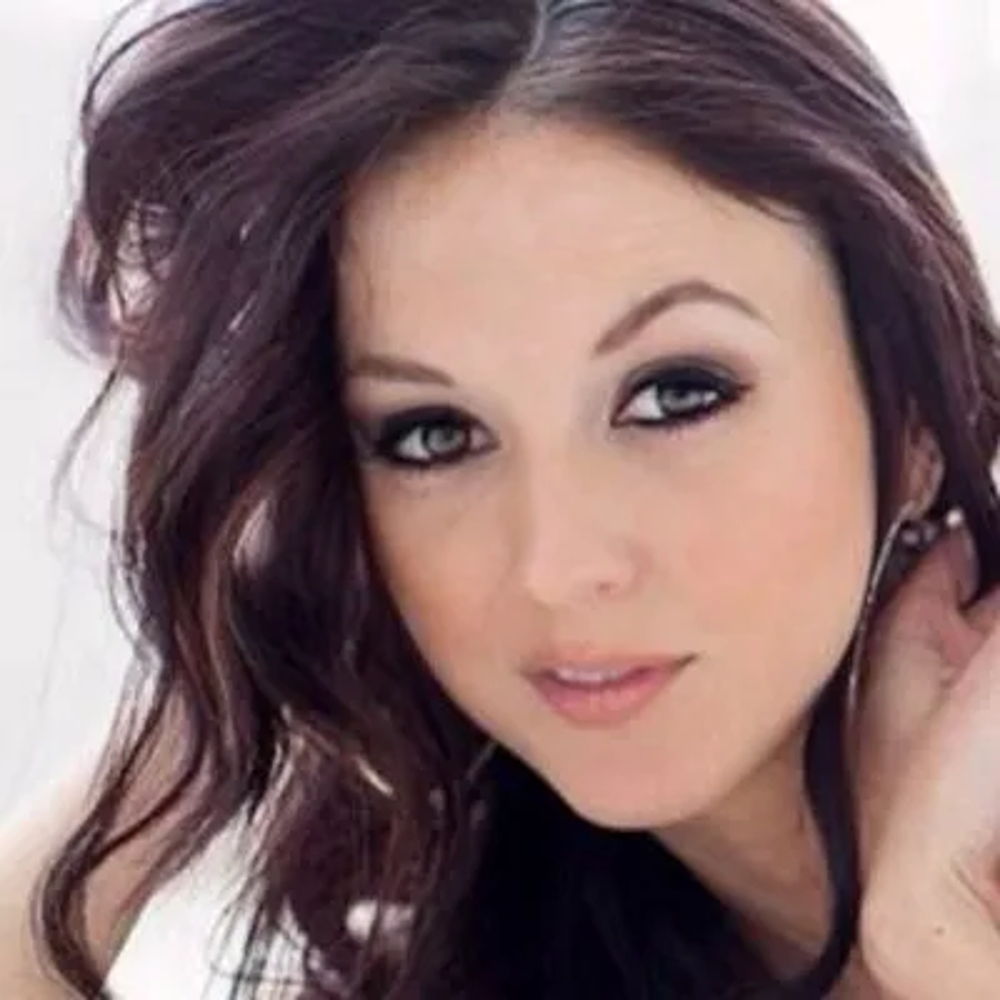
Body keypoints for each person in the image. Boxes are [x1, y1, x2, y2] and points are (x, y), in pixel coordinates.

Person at [4, 0, 1000, 996]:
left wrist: (940, 933)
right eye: (434, 434)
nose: (556, 566)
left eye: (675, 395)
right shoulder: (513, 945)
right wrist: (215, 695)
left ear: (913, 411)